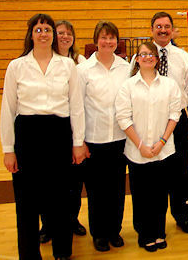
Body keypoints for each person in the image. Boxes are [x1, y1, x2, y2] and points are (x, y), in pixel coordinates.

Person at [0, 13, 86, 260]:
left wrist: (78, 142)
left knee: (61, 198)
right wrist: (8, 148)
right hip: (28, 135)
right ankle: (29, 254)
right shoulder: (17, 66)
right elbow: (8, 109)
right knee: (26, 201)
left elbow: (76, 106)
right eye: (38, 30)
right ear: (31, 34)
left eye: (47, 29)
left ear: (53, 35)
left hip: (59, 134)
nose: (43, 34)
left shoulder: (67, 65)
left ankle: (62, 251)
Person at [130, 12, 188, 233]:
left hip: (177, 120)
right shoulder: (140, 57)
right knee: (153, 173)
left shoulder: (183, 57)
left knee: (180, 172)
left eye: (167, 26)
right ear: (151, 30)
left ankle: (182, 215)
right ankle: (152, 222)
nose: (163, 30)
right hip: (148, 120)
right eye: (158, 26)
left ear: (172, 29)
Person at [116, 42, 181, 252]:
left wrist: (161, 142)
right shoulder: (128, 86)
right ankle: (145, 234)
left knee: (161, 196)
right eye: (143, 54)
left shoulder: (169, 85)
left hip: (164, 151)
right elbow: (123, 118)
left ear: (157, 59)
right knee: (142, 196)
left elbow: (174, 114)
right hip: (137, 152)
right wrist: (141, 145)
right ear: (137, 60)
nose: (147, 57)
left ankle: (159, 232)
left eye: (151, 54)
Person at [77, 21, 130, 252]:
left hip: (120, 139)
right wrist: (80, 141)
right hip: (94, 140)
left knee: (117, 189)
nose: (108, 42)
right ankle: (99, 233)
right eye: (103, 38)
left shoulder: (126, 67)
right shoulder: (83, 70)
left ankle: (114, 230)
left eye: (112, 38)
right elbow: (77, 107)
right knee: (97, 191)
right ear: (95, 40)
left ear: (117, 42)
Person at [39, 20, 87, 244]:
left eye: (69, 33)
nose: (65, 37)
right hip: (53, 129)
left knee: (74, 181)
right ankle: (48, 225)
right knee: (48, 182)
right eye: (60, 33)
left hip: (75, 129)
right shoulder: (45, 62)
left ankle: (71, 219)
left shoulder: (80, 62)